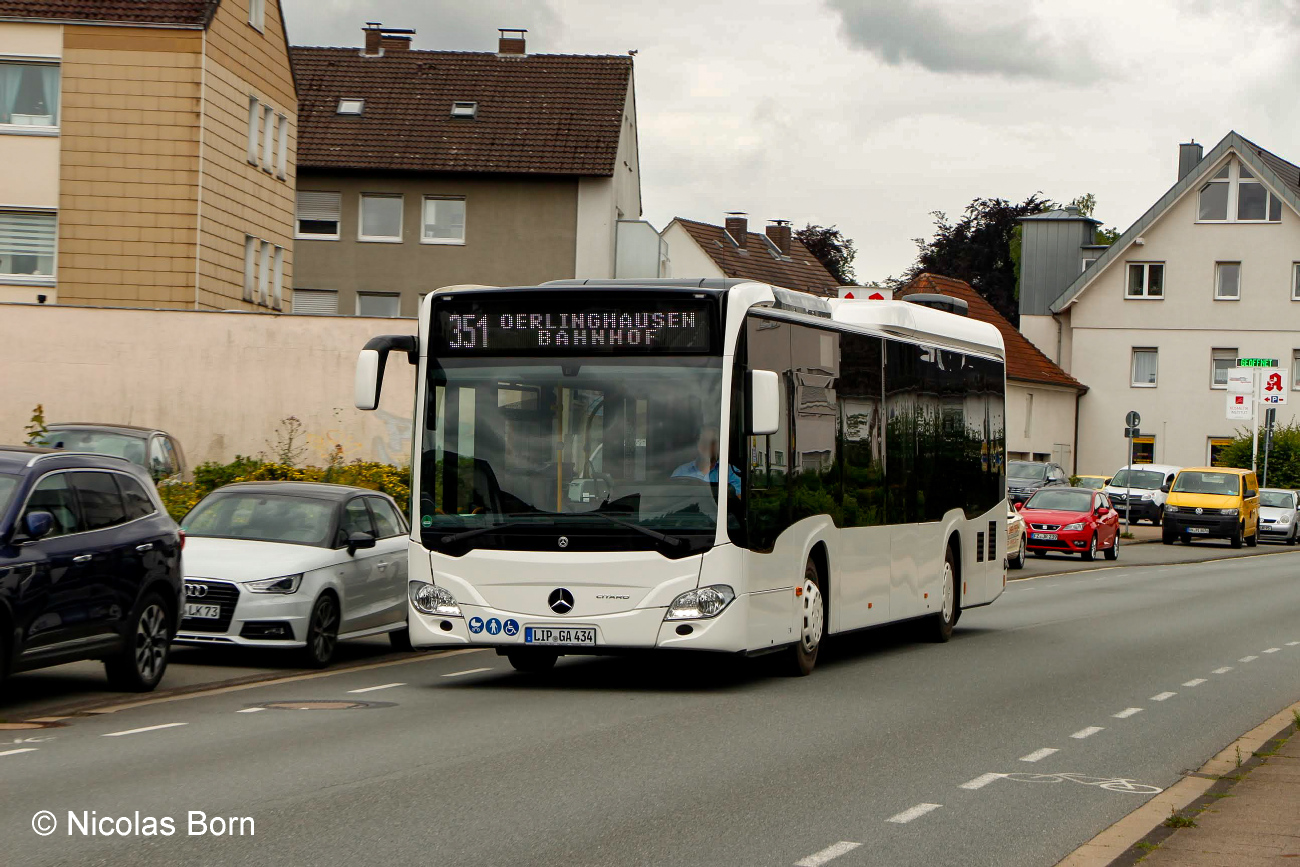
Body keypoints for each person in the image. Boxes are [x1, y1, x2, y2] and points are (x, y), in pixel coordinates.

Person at [671, 425, 741, 496]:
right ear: (697, 443)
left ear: (719, 445)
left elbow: (739, 500)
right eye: (704, 441)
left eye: (712, 442)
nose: (707, 445)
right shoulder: (681, 472)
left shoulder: (730, 472)